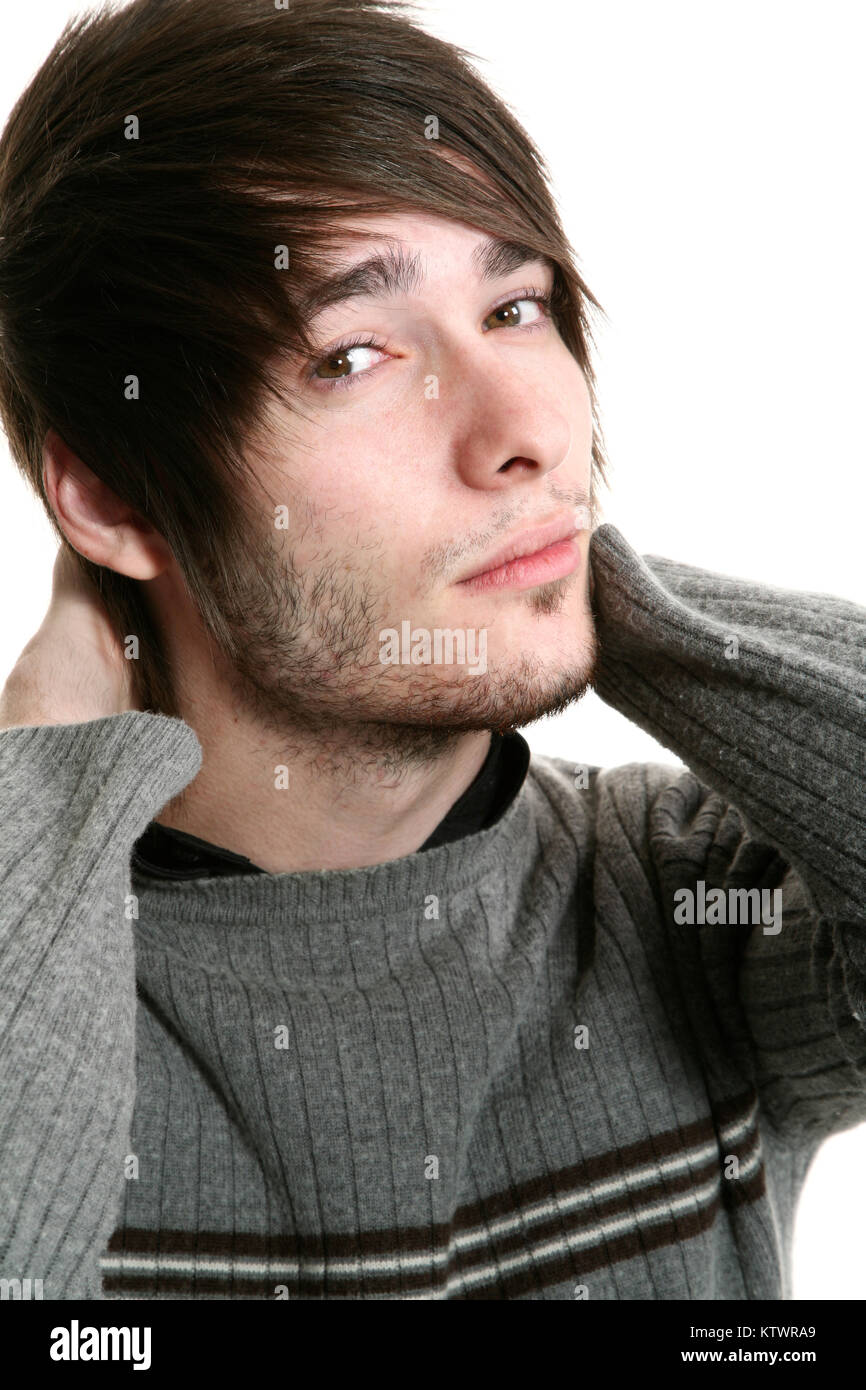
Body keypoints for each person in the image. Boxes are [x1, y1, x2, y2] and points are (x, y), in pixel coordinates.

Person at [0, 0, 863, 1301]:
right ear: (116, 498)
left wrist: (623, 613)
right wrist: (37, 788)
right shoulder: (39, 954)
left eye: (517, 308)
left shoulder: (687, 903)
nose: (525, 427)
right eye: (353, 352)